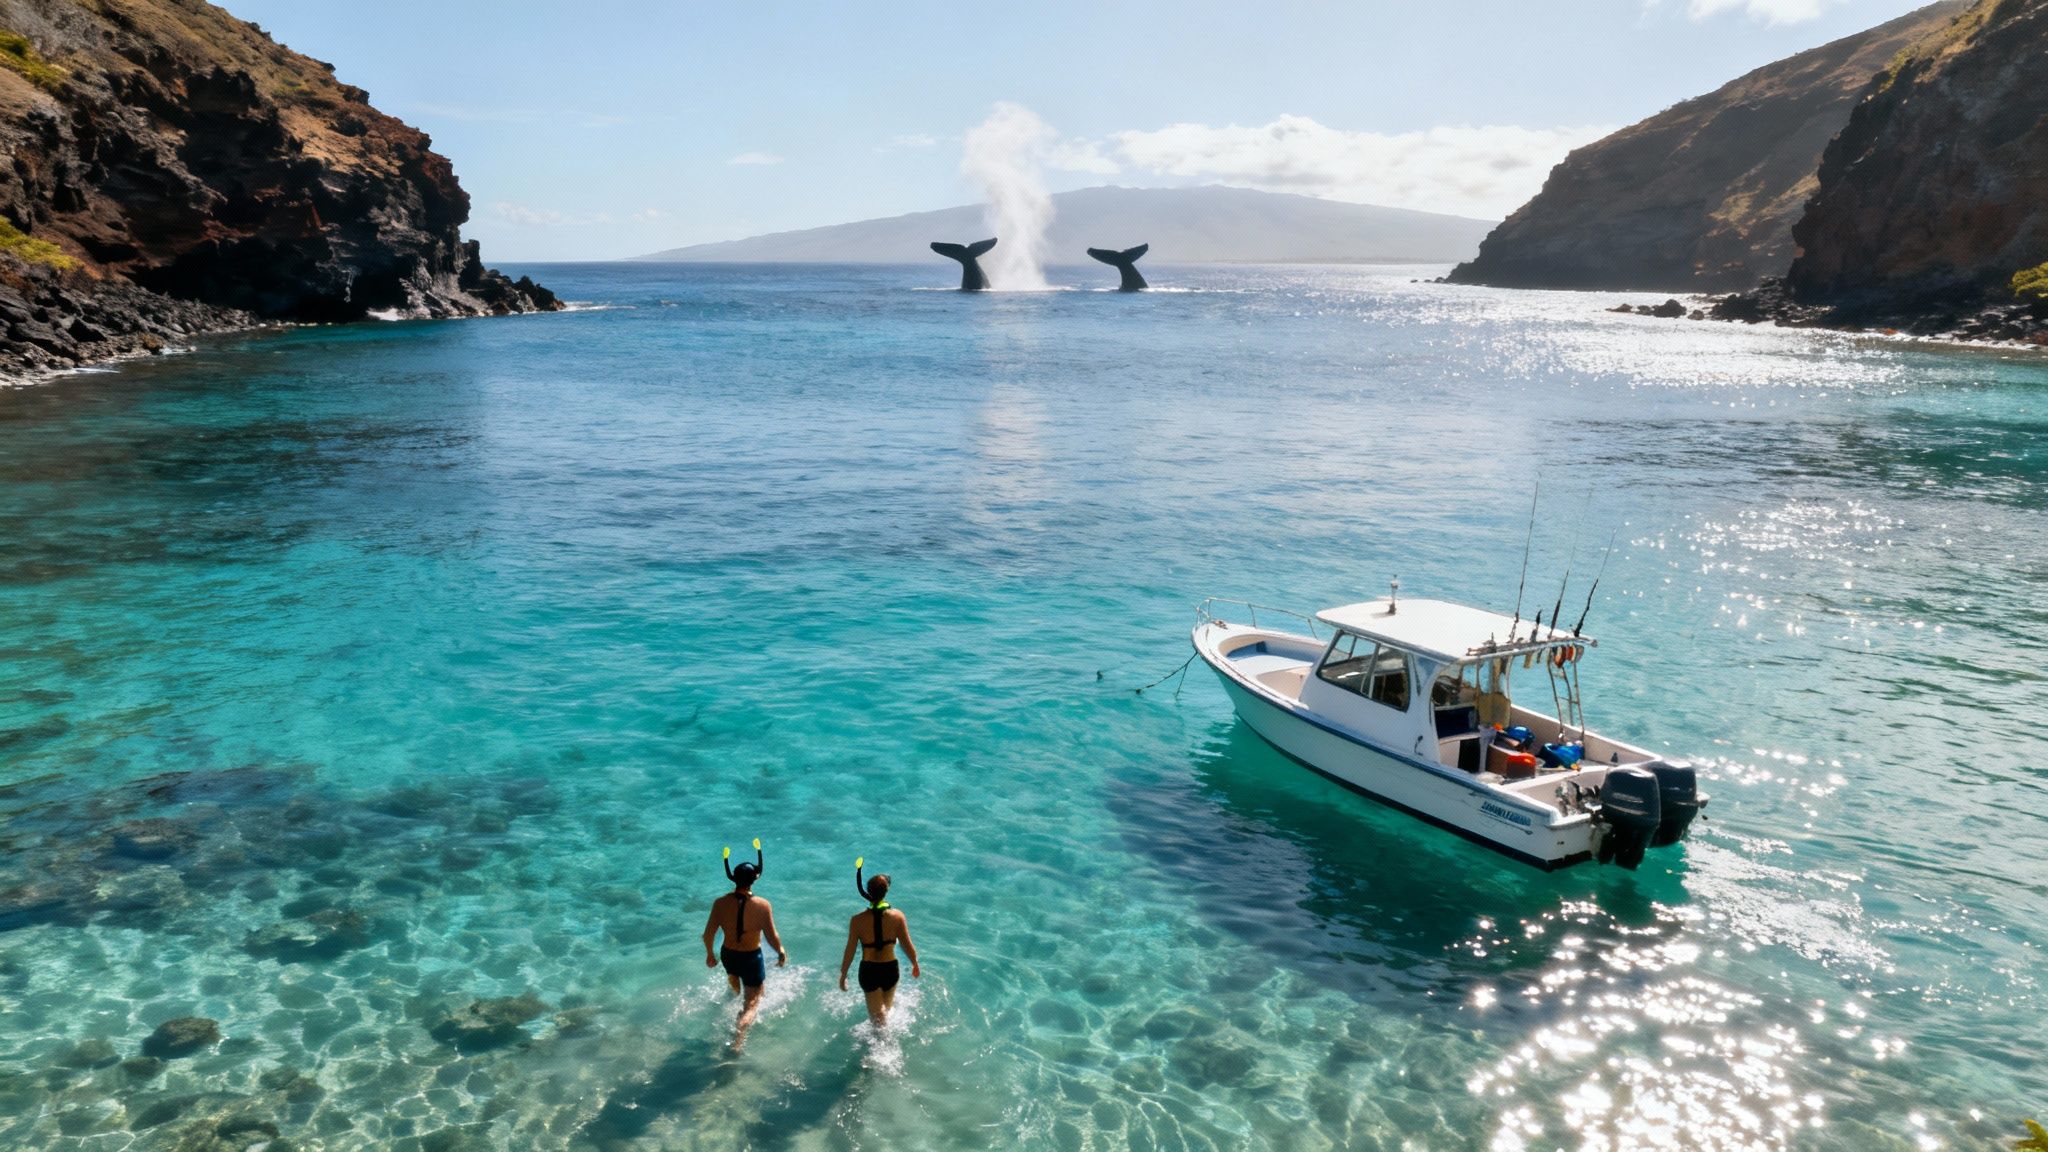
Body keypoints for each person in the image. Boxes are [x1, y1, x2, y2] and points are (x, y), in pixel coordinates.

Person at [701, 840, 785, 1047]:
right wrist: (781, 952)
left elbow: (707, 934)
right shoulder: (762, 905)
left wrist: (710, 954)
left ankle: (734, 991)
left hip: (728, 955)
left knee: (734, 978)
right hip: (750, 957)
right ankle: (738, 1039)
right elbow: (771, 936)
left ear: (734, 879)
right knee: (753, 1002)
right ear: (754, 880)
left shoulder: (720, 903)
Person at [838, 857, 919, 1028]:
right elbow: (906, 945)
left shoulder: (857, 921)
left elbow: (850, 951)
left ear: (868, 892)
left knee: (877, 1017)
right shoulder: (897, 917)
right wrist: (914, 963)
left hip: (869, 971)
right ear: (886, 892)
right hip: (890, 968)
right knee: (885, 1012)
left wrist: (843, 974)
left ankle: (882, 1048)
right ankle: (885, 1041)